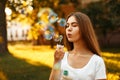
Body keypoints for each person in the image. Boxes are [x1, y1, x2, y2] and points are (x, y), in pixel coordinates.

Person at [49, 12, 107, 80]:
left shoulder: (97, 62)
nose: (69, 29)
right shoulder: (62, 57)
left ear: (84, 29)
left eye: (74, 25)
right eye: (67, 26)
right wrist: (56, 61)